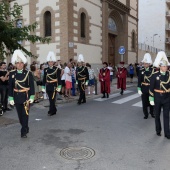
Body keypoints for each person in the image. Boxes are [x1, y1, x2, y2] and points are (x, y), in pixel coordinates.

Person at [9, 50, 35, 138]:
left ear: (24, 64)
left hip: (26, 97)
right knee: (20, 116)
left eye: (21, 63)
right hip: (16, 96)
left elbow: (32, 86)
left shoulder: (28, 73)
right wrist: (11, 98)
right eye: (17, 63)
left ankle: (23, 131)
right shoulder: (12, 74)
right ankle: (25, 126)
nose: (19, 64)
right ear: (15, 64)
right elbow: (10, 87)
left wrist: (32, 96)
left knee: (25, 114)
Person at [149, 51, 170, 139]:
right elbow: (151, 88)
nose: (165, 67)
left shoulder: (169, 75)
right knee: (157, 115)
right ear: (160, 66)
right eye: (163, 66)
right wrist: (151, 98)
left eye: (166, 66)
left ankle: (167, 133)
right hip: (157, 97)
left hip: (167, 97)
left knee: (166, 116)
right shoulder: (155, 75)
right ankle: (158, 130)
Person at [42, 51, 61, 116]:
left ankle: (51, 111)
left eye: (51, 62)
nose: (50, 63)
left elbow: (59, 78)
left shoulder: (57, 69)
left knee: (52, 98)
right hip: (48, 85)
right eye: (49, 62)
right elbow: (44, 78)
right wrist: (43, 86)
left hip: (54, 85)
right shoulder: (45, 69)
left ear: (53, 62)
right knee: (50, 98)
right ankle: (54, 109)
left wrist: (59, 86)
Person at [137, 53, 155, 119]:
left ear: (149, 64)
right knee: (144, 102)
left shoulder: (153, 70)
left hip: (151, 88)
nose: (145, 64)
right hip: (144, 88)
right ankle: (145, 114)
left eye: (146, 63)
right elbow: (139, 81)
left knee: (151, 102)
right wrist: (139, 88)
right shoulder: (141, 70)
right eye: (144, 63)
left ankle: (152, 112)